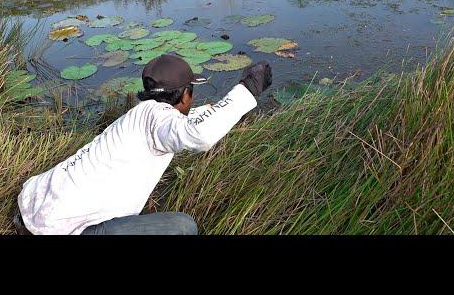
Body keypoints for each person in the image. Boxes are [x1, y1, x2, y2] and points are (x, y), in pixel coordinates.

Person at [14, 53, 272, 235]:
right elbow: (199, 136)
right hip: (57, 230)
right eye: (191, 91)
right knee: (183, 227)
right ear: (184, 94)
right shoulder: (157, 120)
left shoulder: (141, 115)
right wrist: (248, 89)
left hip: (31, 205)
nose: (192, 98)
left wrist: (223, 108)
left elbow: (184, 123)